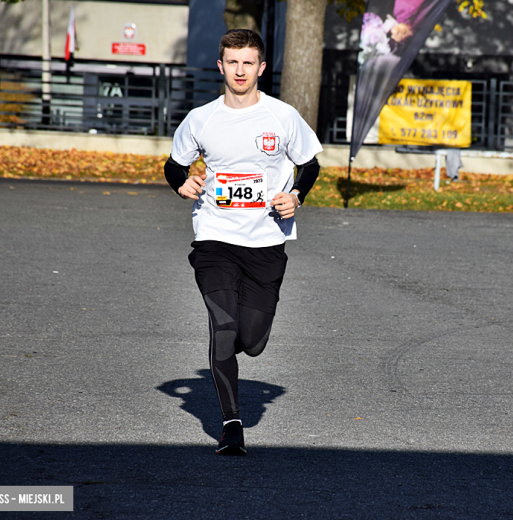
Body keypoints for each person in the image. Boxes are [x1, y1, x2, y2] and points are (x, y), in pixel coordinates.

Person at [163, 29, 323, 455]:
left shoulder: (282, 116)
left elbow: (310, 165)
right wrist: (183, 184)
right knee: (223, 327)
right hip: (215, 238)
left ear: (261, 67)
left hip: (266, 242)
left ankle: (233, 346)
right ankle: (232, 426)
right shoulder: (201, 118)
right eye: (232, 62)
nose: (240, 70)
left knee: (251, 341)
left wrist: (296, 196)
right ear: (221, 66)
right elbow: (173, 166)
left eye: (248, 62)